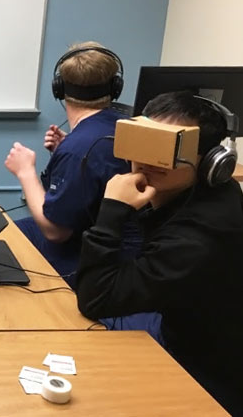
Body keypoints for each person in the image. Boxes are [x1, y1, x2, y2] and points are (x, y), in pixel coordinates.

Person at [76, 91, 243, 415]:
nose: (149, 158)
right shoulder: (208, 193)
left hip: (205, 373)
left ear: (212, 162)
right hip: (182, 321)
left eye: (169, 148)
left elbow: (96, 298)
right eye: (145, 140)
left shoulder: (198, 239)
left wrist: (112, 209)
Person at [4, 42, 133, 287]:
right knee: (11, 232)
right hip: (120, 249)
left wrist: (25, 171)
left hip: (85, 260)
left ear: (59, 88)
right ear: (115, 87)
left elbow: (56, 232)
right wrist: (63, 151)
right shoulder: (123, 125)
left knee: (2, 248)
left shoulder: (78, 149)